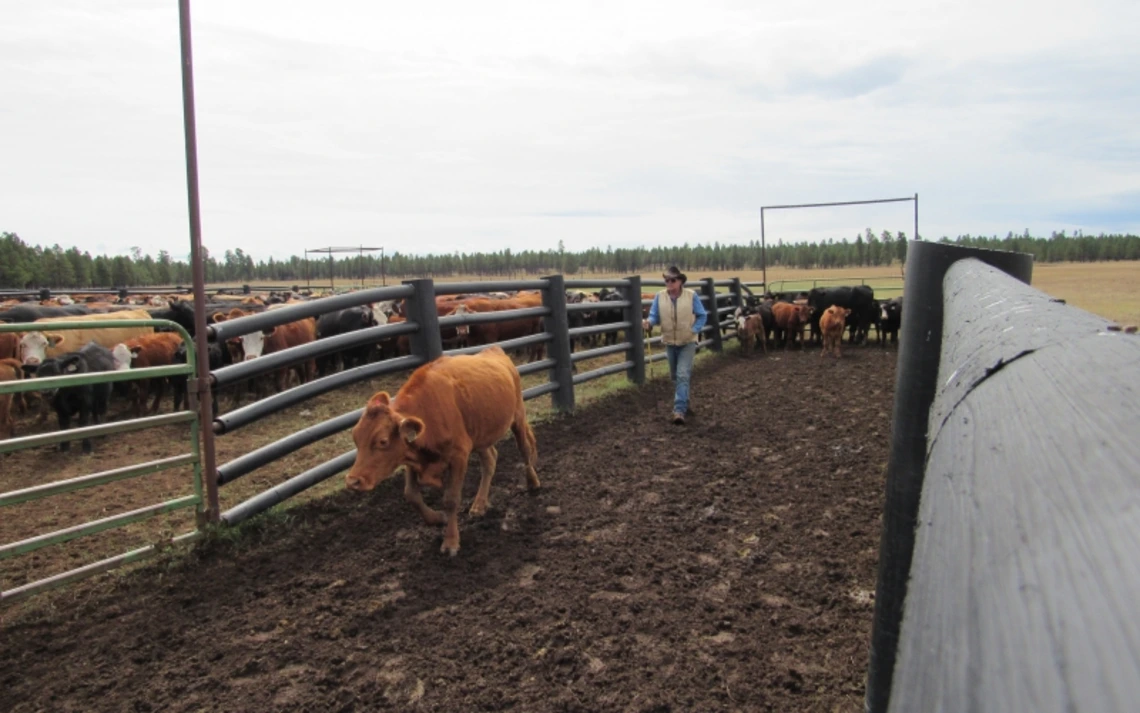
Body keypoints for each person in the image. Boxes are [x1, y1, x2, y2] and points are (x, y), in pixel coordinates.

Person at [643, 266, 707, 425]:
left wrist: (694, 329)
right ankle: (685, 402)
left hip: (688, 341)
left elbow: (702, 315)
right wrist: (648, 323)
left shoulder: (691, 296)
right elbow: (654, 316)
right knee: (675, 376)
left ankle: (678, 411)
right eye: (667, 280)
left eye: (673, 280)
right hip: (670, 341)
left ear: (680, 281)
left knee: (682, 374)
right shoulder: (660, 296)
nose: (669, 283)